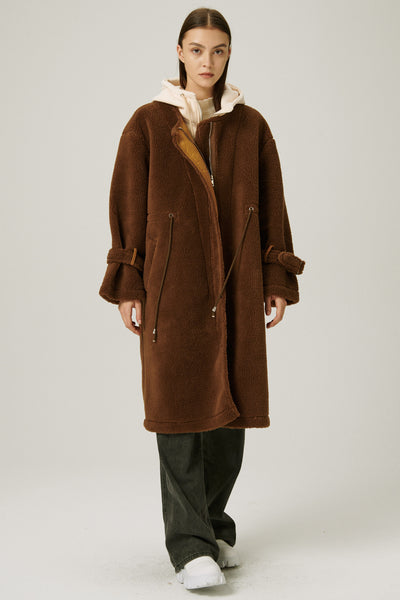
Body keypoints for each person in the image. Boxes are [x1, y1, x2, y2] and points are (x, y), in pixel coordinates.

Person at [98, 7, 305, 590]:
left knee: (230, 417)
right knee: (178, 416)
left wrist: (275, 278)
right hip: (172, 288)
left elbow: (273, 205)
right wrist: (130, 283)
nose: (207, 61)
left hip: (237, 288)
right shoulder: (148, 123)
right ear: (179, 52)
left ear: (229, 53)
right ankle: (189, 547)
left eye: (218, 50)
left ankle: (213, 525)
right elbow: (127, 204)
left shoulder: (251, 126)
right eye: (196, 49)